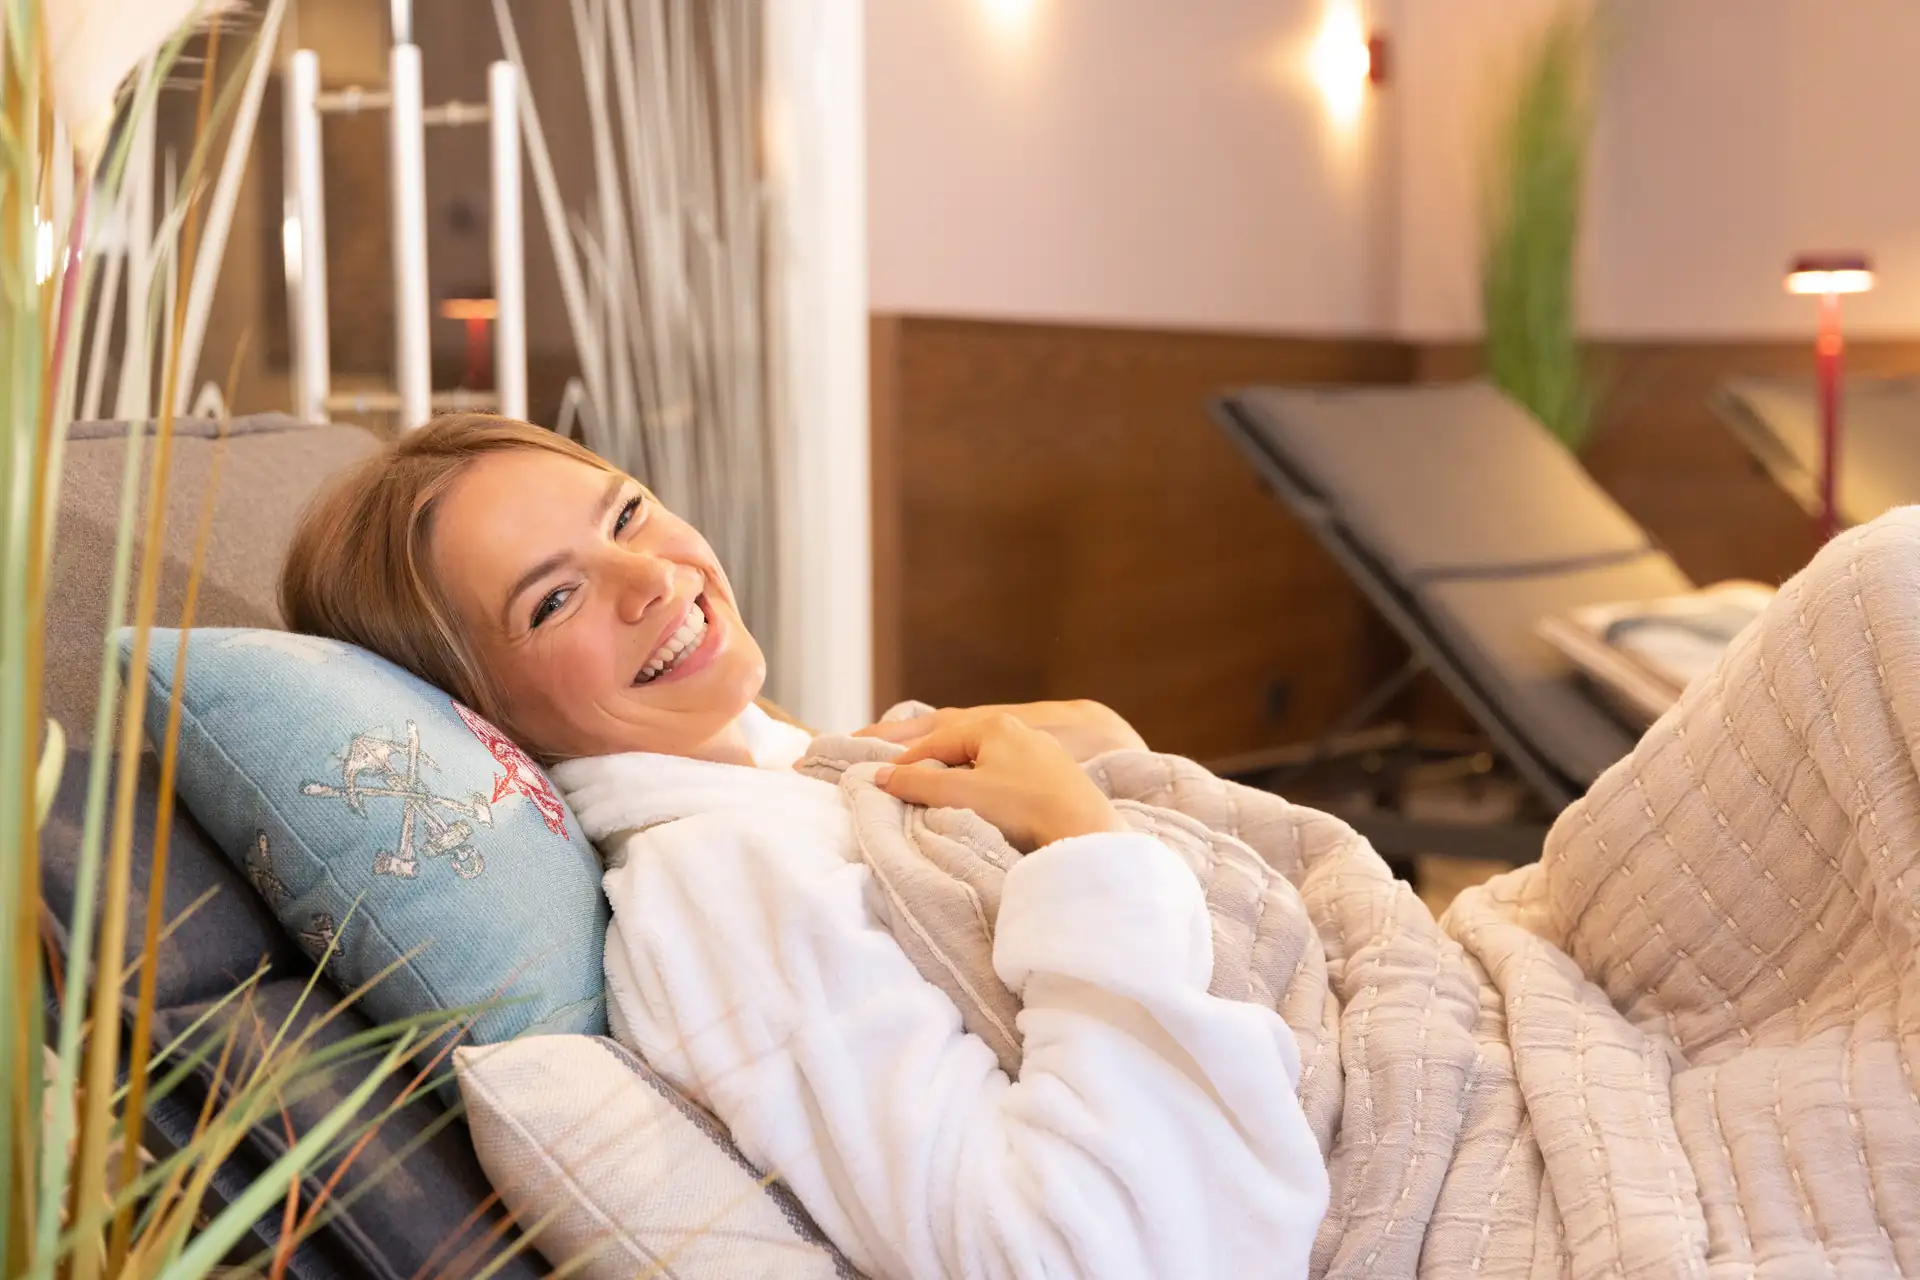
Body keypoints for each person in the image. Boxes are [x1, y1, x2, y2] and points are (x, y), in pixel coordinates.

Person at [282, 413, 1328, 1279]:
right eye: (552, 599)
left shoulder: (790, 767)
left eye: (628, 512)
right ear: (483, 715)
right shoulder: (716, 892)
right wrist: (1084, 841)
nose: (648, 576)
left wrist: (1102, 748)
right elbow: (1079, 1249)